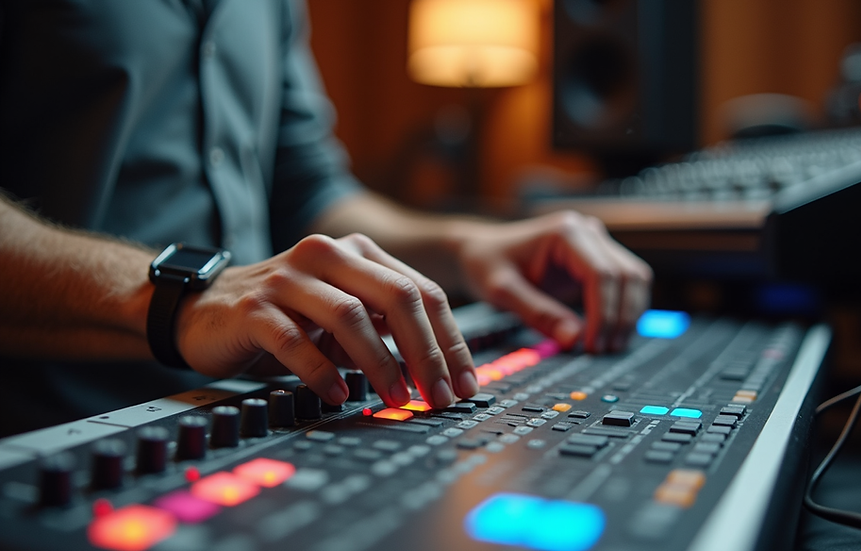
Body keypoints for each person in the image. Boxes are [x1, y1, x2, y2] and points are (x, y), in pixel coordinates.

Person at [0, 0, 652, 437]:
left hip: (262, 408)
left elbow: (311, 191)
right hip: (50, 425)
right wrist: (182, 298)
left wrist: (471, 245)